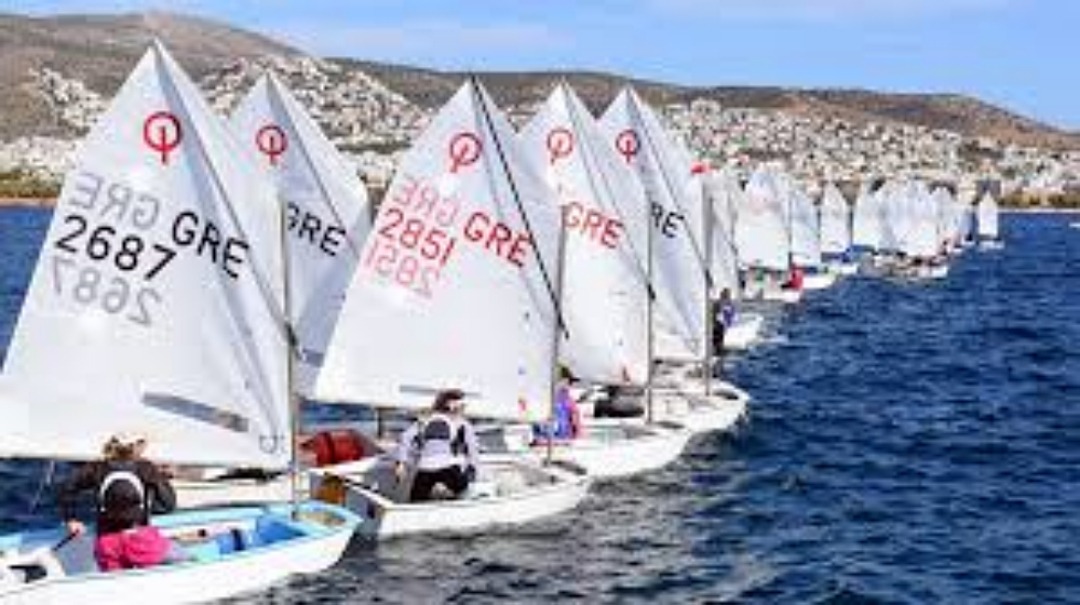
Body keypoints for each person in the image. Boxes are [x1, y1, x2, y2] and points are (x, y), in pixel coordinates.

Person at [57, 433, 180, 571]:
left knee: (115, 581)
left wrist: (71, 519)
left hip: (107, 544)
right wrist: (148, 506)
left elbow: (66, 488)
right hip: (140, 540)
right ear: (136, 446)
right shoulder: (145, 467)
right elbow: (168, 505)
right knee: (188, 560)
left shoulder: (97, 467)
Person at [393, 389, 480, 503]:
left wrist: (401, 463)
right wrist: (473, 469)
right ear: (449, 404)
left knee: (416, 501)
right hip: (446, 468)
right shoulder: (461, 423)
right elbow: (472, 449)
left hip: (426, 468)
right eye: (459, 403)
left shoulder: (425, 420)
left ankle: (442, 492)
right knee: (462, 488)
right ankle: (445, 493)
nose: (462, 406)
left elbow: (405, 438)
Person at [533, 367, 583, 442]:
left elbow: (575, 423)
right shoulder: (567, 400)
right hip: (559, 440)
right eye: (569, 382)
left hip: (555, 440)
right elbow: (576, 425)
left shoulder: (540, 398)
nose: (571, 385)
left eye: (571, 382)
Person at [712, 288, 737, 355]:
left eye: (728, 295)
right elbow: (715, 313)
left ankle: (719, 350)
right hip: (717, 324)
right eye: (727, 294)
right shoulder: (718, 303)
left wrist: (729, 324)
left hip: (721, 324)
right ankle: (718, 350)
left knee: (719, 340)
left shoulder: (729, 304)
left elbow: (731, 315)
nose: (728, 296)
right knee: (717, 339)